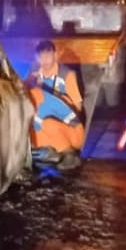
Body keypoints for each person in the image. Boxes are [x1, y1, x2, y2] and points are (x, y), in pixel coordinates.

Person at [26, 40, 85, 171]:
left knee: (47, 123)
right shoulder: (34, 73)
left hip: (71, 128)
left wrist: (55, 102)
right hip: (43, 122)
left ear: (55, 55)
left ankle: (69, 153)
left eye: (48, 55)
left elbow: (78, 107)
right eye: (41, 57)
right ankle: (47, 151)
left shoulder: (67, 75)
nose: (44, 60)